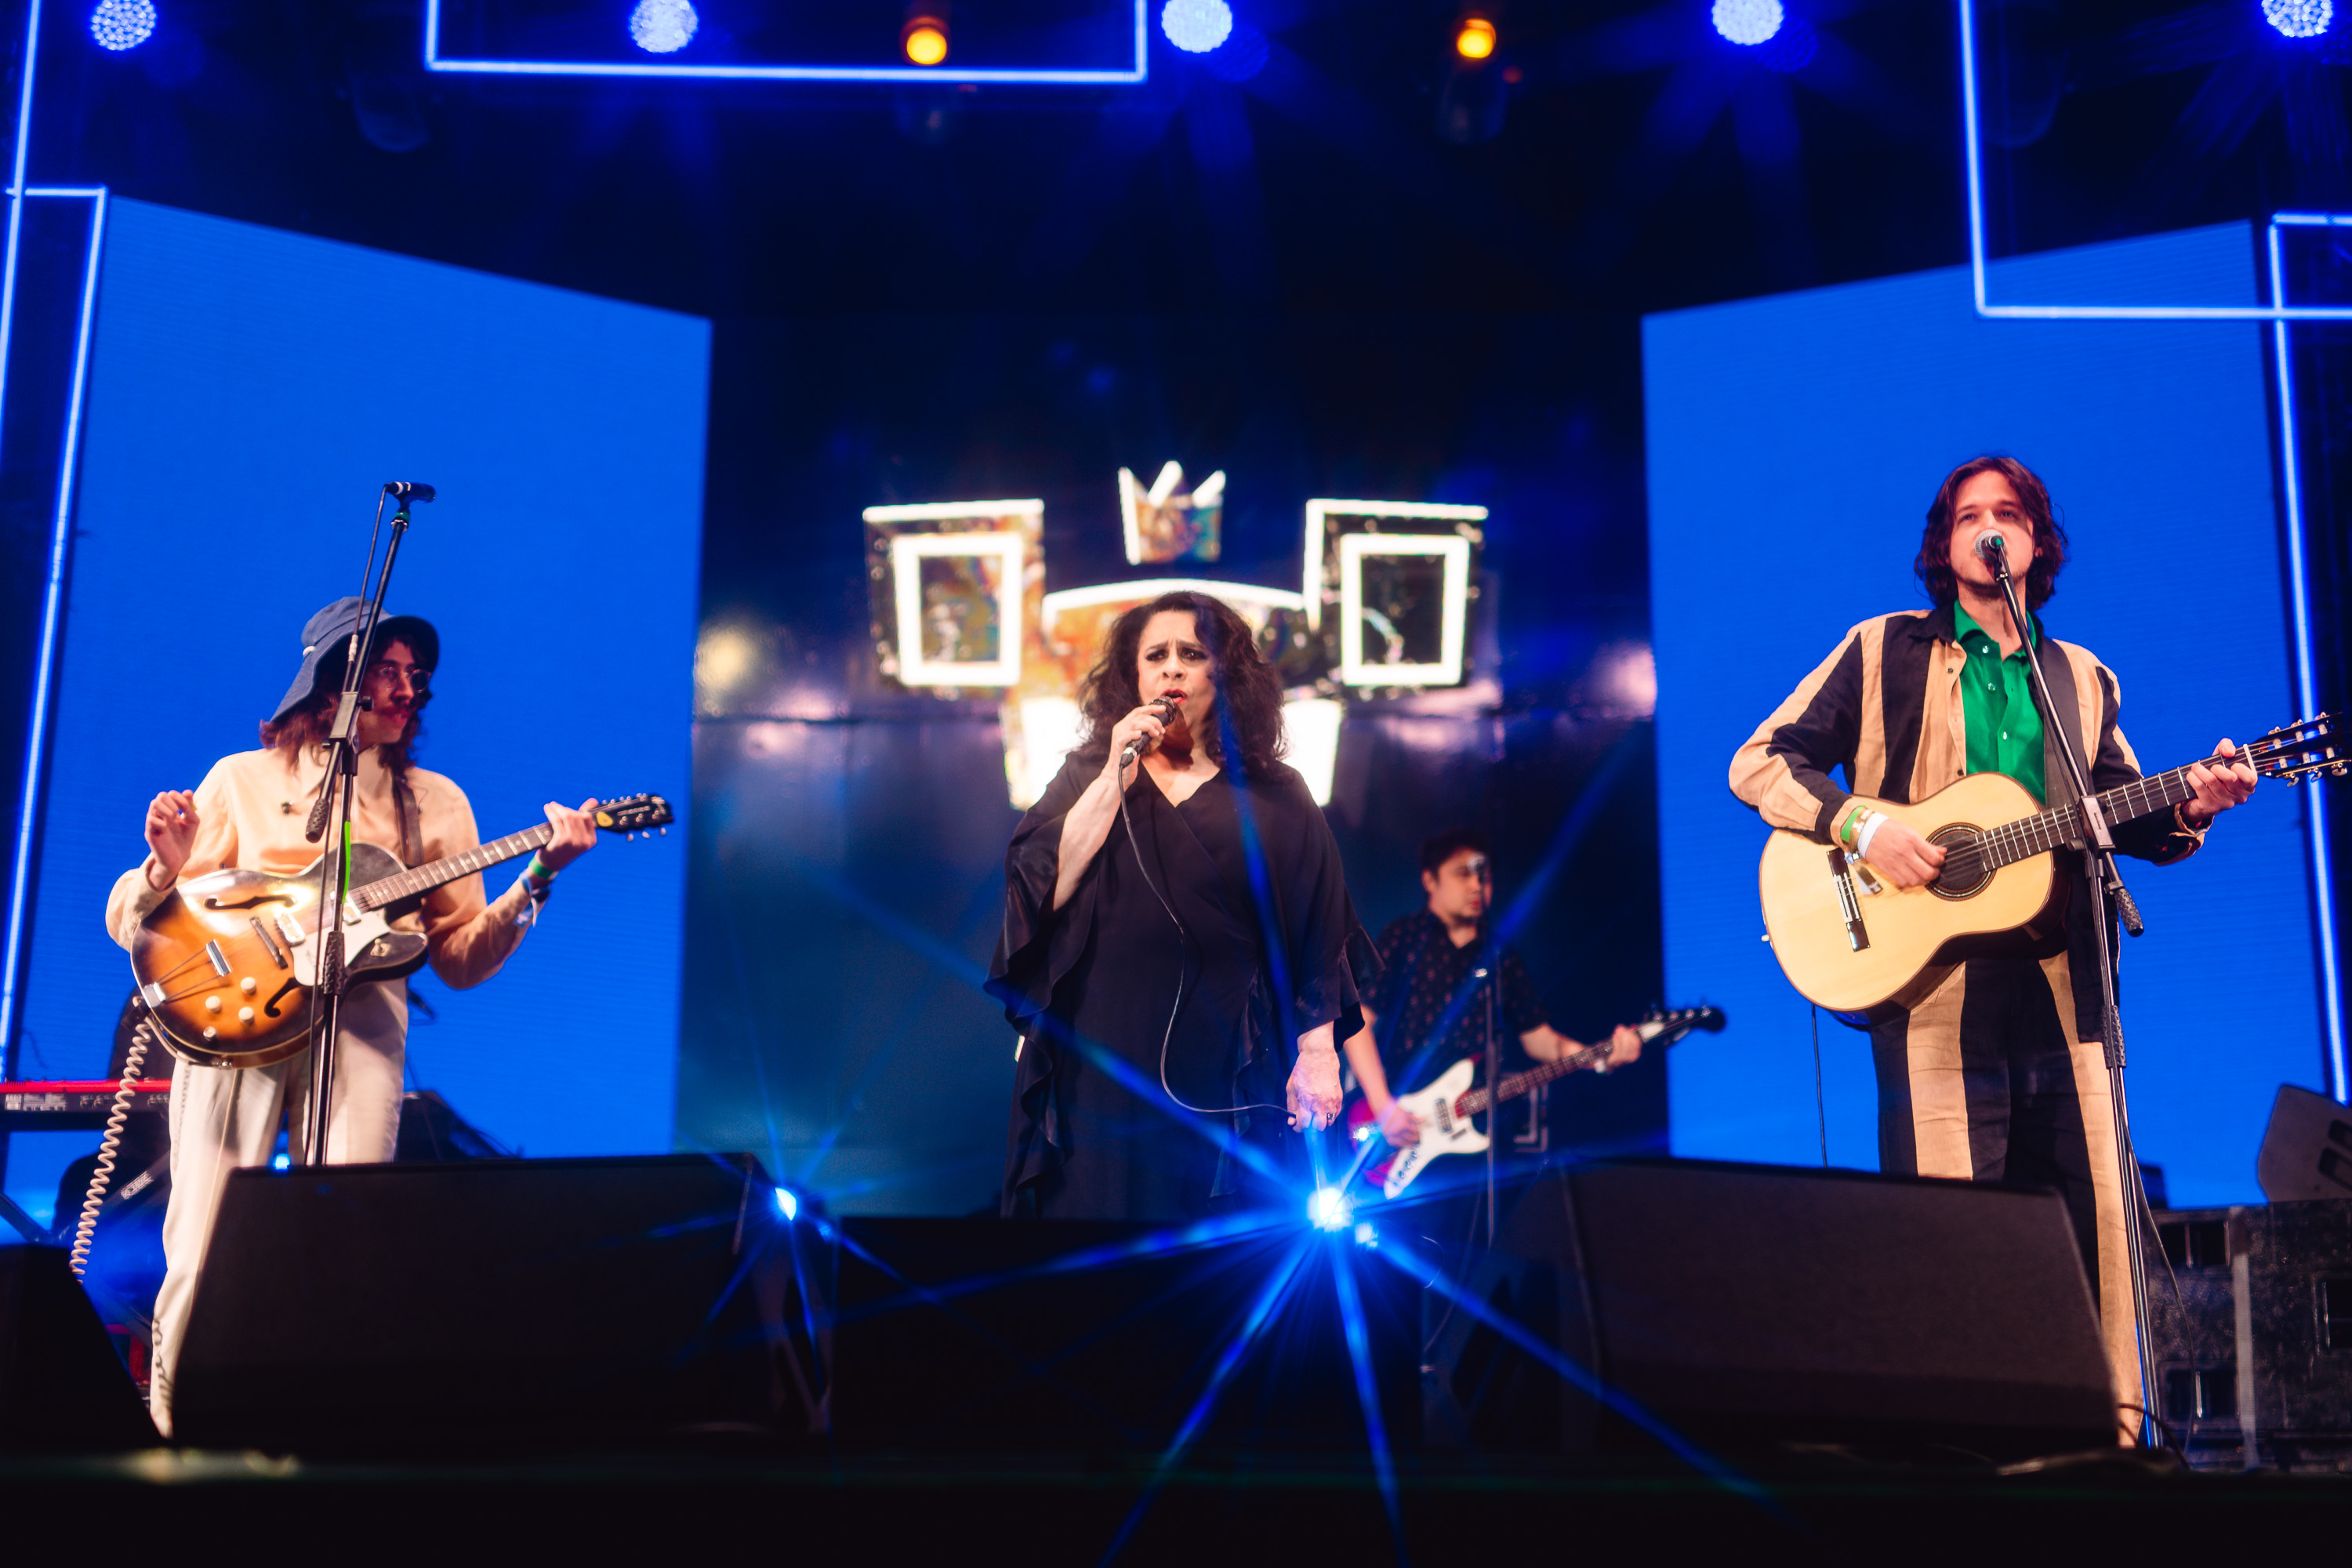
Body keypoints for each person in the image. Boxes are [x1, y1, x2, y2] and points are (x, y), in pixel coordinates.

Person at [1729, 455, 2257, 1441]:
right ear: (1943, 544)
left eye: (2008, 513)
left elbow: (2128, 813)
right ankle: (1960, 1459)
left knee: (2093, 1235)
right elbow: (1760, 760)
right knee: (1951, 1243)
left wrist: (2197, 802)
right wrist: (1861, 826)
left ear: (2037, 541)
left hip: (2068, 991)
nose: (1989, 528)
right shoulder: (1881, 649)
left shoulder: (2081, 677)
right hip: (1932, 987)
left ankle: (2112, 1448)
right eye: (1969, 515)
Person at [106, 597, 602, 1435]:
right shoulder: (242, 780)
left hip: (364, 1023)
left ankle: (316, 1442)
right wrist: (166, 869)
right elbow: (130, 921)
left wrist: (539, 878)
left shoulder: (435, 803)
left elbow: (460, 957)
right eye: (388, 671)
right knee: (201, 1241)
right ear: (334, 680)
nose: (408, 691)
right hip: (242, 1024)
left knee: (342, 1241)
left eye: (418, 677)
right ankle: (175, 1434)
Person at [989, 590, 1371, 1221]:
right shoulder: (1089, 773)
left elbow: (1322, 934)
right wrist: (1114, 771)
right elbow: (1039, 885)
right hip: (1100, 1052)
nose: (1172, 667)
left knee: (1218, 1246)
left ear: (1224, 673)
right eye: (1156, 655)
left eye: (1191, 654)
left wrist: (1318, 1054)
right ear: (1134, 676)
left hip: (1228, 1055)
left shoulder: (1276, 794)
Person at [1345, 828, 1642, 1174]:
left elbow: (1541, 1040)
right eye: (1463, 874)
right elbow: (1357, 1022)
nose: (1476, 886)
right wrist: (1383, 1105)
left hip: (1470, 1138)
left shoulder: (1500, 955)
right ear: (1430, 880)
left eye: (1483, 877)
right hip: (1398, 1119)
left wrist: (1599, 1057)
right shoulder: (1403, 938)